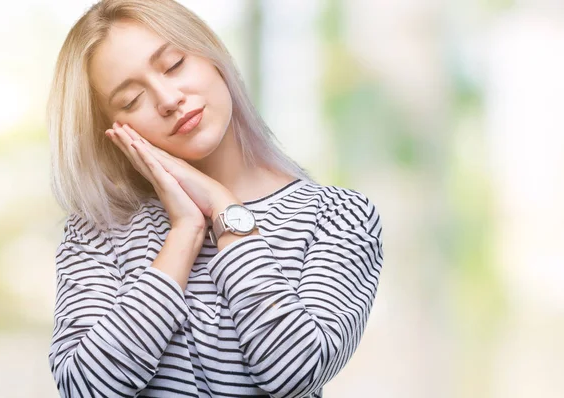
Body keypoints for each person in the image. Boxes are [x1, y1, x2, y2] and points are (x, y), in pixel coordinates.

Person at [47, 0, 384, 397]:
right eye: (132, 100)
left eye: (173, 64)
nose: (168, 98)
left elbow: (295, 372)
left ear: (210, 53)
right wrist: (184, 233)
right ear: (114, 130)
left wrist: (224, 208)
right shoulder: (97, 233)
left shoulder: (339, 217)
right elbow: (85, 388)